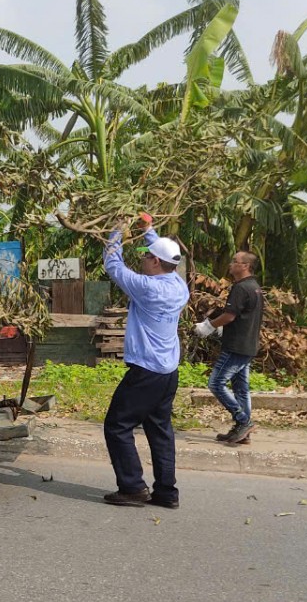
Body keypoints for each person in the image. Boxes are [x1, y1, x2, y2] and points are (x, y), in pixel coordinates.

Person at [100, 214, 190, 509]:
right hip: (167, 373)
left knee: (117, 425)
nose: (142, 260)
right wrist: (147, 230)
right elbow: (165, 255)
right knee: (160, 430)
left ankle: (133, 487)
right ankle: (166, 492)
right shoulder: (179, 285)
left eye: (146, 257)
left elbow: (113, 266)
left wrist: (115, 231)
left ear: (154, 263)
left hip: (147, 373)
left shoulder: (147, 288)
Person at [195, 250, 264, 446]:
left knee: (215, 383)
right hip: (248, 344)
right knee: (241, 389)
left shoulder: (241, 288)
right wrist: (225, 328)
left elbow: (230, 315)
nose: (231, 264)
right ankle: (243, 432)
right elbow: (244, 317)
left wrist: (209, 326)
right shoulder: (255, 288)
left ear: (245, 266)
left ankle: (244, 421)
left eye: (235, 261)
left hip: (236, 346)